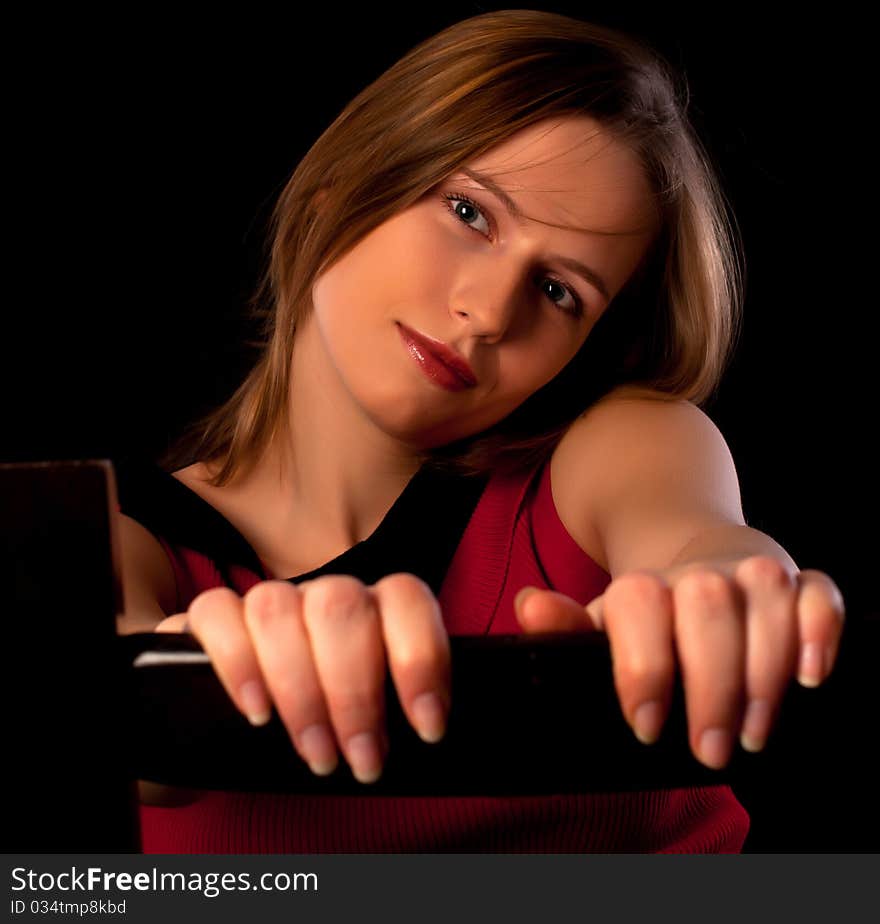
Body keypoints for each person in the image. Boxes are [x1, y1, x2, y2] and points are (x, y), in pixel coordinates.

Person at [115, 9, 845, 852]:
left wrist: (731, 590)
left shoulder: (610, 452)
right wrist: (190, 680)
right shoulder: (127, 538)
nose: (490, 313)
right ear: (344, 185)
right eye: (469, 212)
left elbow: (699, 539)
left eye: (561, 291)